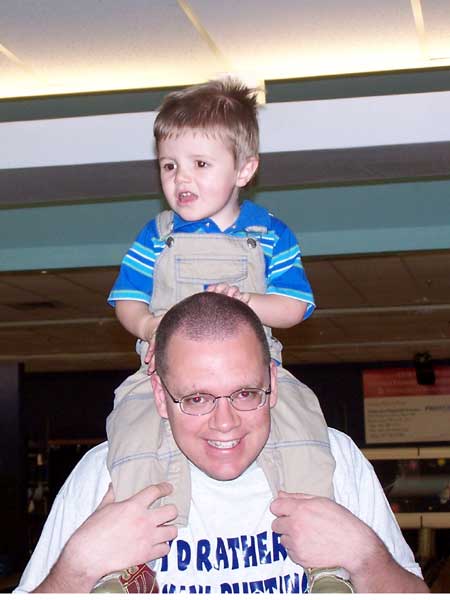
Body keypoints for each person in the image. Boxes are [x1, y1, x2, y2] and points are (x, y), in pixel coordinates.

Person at [15, 293, 428, 594]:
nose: (225, 423)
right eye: (197, 399)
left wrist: (366, 557)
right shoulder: (103, 473)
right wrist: (78, 567)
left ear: (272, 383)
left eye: (246, 393)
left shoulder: (336, 458)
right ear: (160, 396)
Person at [106, 77, 334, 523]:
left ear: (244, 170)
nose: (181, 178)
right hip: (160, 374)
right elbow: (126, 302)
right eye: (169, 166)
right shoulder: (157, 236)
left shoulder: (268, 233)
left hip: (256, 377)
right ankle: (135, 555)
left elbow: (294, 307)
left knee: (304, 426)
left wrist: (249, 302)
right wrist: (149, 326)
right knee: (129, 433)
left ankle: (318, 545)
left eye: (200, 163)